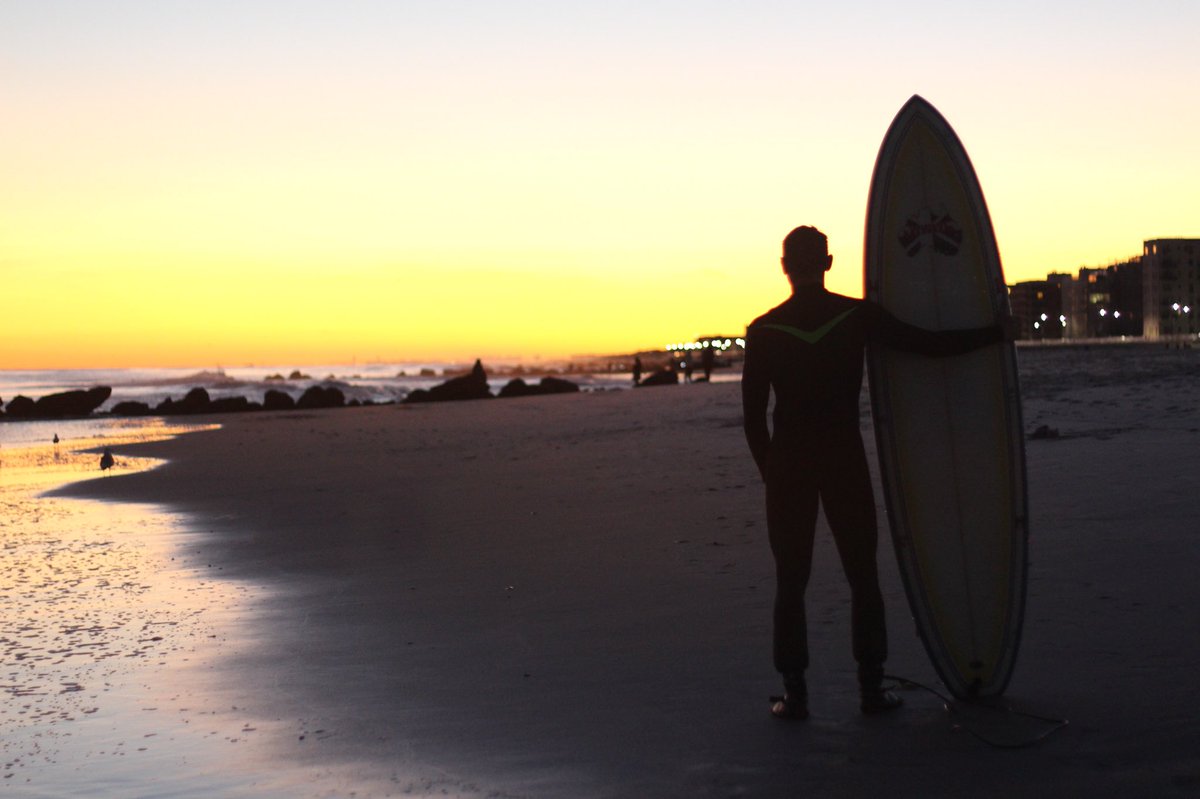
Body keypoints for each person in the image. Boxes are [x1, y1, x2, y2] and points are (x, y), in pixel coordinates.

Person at [741, 225, 1004, 719]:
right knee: (862, 574)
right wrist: (993, 333)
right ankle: (869, 688)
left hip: (790, 465)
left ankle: (795, 694)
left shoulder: (764, 330)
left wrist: (770, 471)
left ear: (784, 266)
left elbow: (754, 419)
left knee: (790, 580)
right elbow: (930, 344)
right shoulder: (855, 315)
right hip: (843, 456)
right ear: (829, 263)